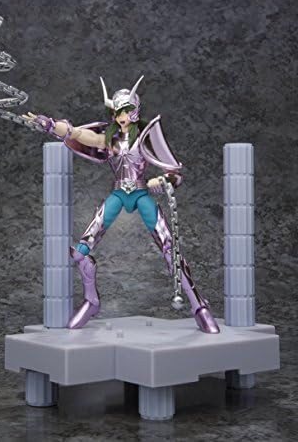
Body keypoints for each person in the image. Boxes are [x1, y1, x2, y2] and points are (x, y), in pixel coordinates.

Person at [22, 76, 220, 334]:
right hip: (118, 194)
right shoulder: (110, 139)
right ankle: (91, 301)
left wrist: (162, 181)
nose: (121, 116)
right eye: (117, 112)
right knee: (81, 251)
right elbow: (79, 134)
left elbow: (175, 174)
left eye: (125, 111)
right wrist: (50, 125)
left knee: (170, 249)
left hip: (140, 194)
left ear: (135, 110)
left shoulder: (146, 136)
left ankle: (199, 306)